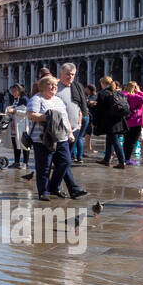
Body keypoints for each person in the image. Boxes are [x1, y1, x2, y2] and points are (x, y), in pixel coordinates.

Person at [27, 73, 75, 200]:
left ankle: (54, 186)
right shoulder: (36, 99)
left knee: (65, 162)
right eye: (51, 85)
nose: (54, 87)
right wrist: (48, 117)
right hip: (42, 138)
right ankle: (43, 191)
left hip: (61, 137)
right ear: (43, 86)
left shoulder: (58, 100)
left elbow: (65, 118)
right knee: (44, 166)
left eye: (55, 85)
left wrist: (70, 133)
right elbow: (31, 115)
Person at [54, 64, 87, 197]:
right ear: (60, 74)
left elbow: (79, 106)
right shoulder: (54, 87)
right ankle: (73, 188)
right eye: (68, 74)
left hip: (74, 128)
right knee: (64, 160)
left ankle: (54, 187)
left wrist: (79, 124)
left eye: (72, 74)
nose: (70, 77)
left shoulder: (76, 86)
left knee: (62, 161)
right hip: (59, 130)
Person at [93, 76, 129, 168]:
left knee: (115, 141)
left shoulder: (103, 93)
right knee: (110, 139)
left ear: (103, 83)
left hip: (109, 121)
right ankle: (107, 159)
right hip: (118, 120)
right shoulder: (117, 92)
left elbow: (99, 110)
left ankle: (122, 162)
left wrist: (95, 122)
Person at [4, 84, 31, 171]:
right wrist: (10, 108)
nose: (13, 93)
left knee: (24, 144)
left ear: (19, 90)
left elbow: (27, 112)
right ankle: (16, 162)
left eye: (14, 91)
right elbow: (15, 107)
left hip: (22, 125)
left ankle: (25, 163)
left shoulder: (24, 99)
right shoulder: (17, 99)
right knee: (15, 144)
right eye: (12, 91)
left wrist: (15, 111)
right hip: (15, 125)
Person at [123, 81, 143, 163]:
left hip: (125, 121)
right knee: (132, 141)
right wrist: (139, 91)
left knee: (126, 140)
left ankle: (124, 157)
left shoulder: (123, 95)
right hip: (135, 122)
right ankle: (127, 159)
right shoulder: (135, 97)